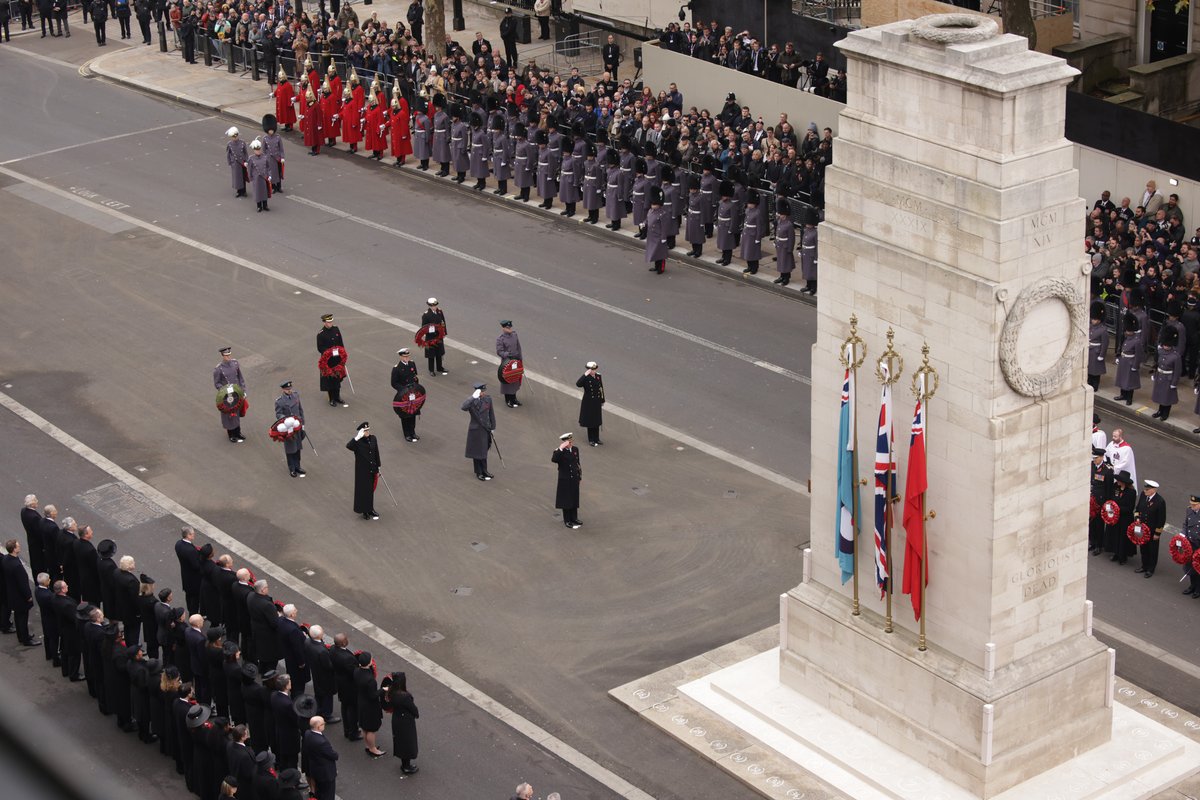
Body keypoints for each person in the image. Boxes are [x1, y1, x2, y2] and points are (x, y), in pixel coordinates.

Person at [3, 540, 38, 646]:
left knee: (18, 618)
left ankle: (21, 636)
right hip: (20, 597)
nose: (19, 547)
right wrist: (28, 596)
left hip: (12, 594)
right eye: (18, 546)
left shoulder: (6, 559)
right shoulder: (17, 565)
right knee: (22, 618)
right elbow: (22, 583)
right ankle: (26, 639)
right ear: (14, 549)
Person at [382, 671, 419, 774]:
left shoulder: (391, 693)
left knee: (401, 742)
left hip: (397, 719)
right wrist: (416, 714)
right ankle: (406, 766)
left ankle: (404, 764)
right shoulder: (405, 696)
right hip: (406, 722)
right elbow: (413, 709)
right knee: (408, 743)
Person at [345, 423, 381, 521]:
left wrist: (378, 467)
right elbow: (348, 446)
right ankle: (365, 511)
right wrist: (356, 438)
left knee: (370, 490)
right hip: (362, 471)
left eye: (368, 430)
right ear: (361, 432)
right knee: (363, 491)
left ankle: (370, 509)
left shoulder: (373, 438)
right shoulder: (357, 442)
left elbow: (376, 453)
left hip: (372, 469)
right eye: (365, 431)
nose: (367, 432)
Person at [354, 651, 386, 757]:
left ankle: (368, 746)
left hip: (361, 702)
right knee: (371, 729)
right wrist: (383, 689)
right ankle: (373, 749)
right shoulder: (370, 680)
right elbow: (373, 695)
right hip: (370, 707)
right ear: (369, 663)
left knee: (364, 727)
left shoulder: (356, 671)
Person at [462, 384, 496, 481]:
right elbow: (463, 407)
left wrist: (493, 427)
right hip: (476, 430)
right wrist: (473, 397)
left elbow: (491, 414)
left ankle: (485, 470)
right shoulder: (472, 401)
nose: (483, 393)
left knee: (484, 451)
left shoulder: (488, 399)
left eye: (483, 391)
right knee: (477, 452)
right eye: (481, 391)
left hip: (485, 429)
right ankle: (479, 472)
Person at [213, 347, 247, 443]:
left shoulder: (235, 363)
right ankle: (231, 434)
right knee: (228, 415)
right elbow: (217, 383)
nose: (228, 357)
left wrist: (243, 390)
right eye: (226, 355)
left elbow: (240, 378)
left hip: (237, 393)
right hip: (227, 396)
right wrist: (225, 390)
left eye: (229, 355)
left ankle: (238, 432)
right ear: (222, 356)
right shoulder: (219, 369)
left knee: (236, 413)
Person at [1135, 479, 1167, 578]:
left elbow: (1161, 519)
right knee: (1143, 548)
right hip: (1143, 529)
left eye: (1147, 489)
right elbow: (1138, 509)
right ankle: (1144, 565)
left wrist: (1157, 533)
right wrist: (1137, 518)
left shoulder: (1160, 501)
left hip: (1152, 530)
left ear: (1153, 490)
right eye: (1145, 489)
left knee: (1152, 550)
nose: (1145, 491)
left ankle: (1150, 569)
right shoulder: (1143, 495)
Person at [274, 381, 306, 477]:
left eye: (290, 389)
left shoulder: (296, 396)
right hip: (288, 428)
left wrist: (303, 424)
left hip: (298, 426)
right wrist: (287, 419)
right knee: (290, 449)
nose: (289, 391)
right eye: (287, 389)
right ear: (283, 390)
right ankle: (292, 468)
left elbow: (300, 411)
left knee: (298, 447)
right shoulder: (279, 401)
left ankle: (298, 466)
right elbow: (278, 414)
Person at [390, 349, 423, 442]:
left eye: (408, 356)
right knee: (405, 414)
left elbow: (415, 377)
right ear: (400, 357)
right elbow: (394, 383)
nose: (407, 358)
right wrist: (404, 390)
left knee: (413, 412)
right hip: (403, 396)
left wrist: (415, 388)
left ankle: (413, 432)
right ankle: (407, 434)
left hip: (413, 394)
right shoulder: (396, 368)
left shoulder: (412, 364)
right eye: (405, 356)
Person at [316, 314, 349, 407]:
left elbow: (341, 343)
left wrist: (343, 355)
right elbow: (320, 348)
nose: (330, 323)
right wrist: (329, 352)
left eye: (331, 322)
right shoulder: (321, 334)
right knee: (330, 380)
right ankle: (331, 398)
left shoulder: (336, 329)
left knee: (337, 378)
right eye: (328, 322)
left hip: (337, 359)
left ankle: (337, 396)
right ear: (324, 322)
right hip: (328, 362)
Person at [303, 716, 339, 799]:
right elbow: (333, 755)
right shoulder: (321, 742)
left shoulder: (308, 733)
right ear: (318, 727)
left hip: (315, 769)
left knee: (319, 791)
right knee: (328, 794)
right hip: (325, 773)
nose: (324, 724)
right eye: (323, 723)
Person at [552, 433, 583, 529]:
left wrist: (579, 477)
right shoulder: (559, 452)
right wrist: (560, 448)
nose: (570, 443)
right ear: (564, 442)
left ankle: (574, 518)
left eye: (571, 441)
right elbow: (554, 459)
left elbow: (577, 464)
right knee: (566, 500)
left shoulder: (575, 450)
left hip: (574, 479)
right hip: (565, 480)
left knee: (574, 498)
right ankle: (567, 520)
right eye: (568, 442)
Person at [1151, 326, 1181, 420]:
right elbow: (1157, 364)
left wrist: (1174, 383)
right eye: (1165, 344)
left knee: (1167, 397)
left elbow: (1177, 371)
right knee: (1161, 395)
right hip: (1160, 376)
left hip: (1169, 379)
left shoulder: (1175, 356)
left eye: (1168, 345)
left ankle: (1165, 413)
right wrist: (1155, 374)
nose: (1166, 346)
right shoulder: (1160, 351)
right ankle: (1160, 411)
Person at [495, 321, 524, 407]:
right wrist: (508, 355)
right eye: (507, 328)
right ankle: (508, 400)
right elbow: (499, 351)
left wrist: (520, 359)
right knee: (507, 380)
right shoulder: (500, 339)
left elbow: (518, 348)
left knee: (515, 379)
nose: (509, 329)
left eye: (510, 328)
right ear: (503, 328)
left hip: (515, 361)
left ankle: (514, 398)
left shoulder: (515, 335)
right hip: (507, 362)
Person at [1089, 447, 1112, 556]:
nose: (1094, 460)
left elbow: (1109, 488)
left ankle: (1099, 545)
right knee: (1091, 523)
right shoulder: (1091, 465)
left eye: (1096, 458)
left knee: (1099, 524)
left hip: (1100, 501)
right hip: (1091, 499)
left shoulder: (1107, 470)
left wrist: (1106, 504)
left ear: (1102, 457)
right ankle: (1092, 542)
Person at [576, 361, 605, 446]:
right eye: (592, 369)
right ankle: (591, 439)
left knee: (596, 421)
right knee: (590, 421)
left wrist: (602, 400)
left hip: (596, 401)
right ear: (588, 370)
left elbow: (601, 389)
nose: (594, 371)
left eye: (595, 369)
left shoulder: (598, 376)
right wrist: (584, 375)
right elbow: (578, 384)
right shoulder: (586, 378)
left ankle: (597, 438)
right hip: (589, 402)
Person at [420, 298, 449, 376]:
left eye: (435, 305)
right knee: (431, 354)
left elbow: (443, 322)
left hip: (439, 336)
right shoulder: (426, 315)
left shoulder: (439, 311)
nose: (434, 307)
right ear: (429, 306)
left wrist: (444, 332)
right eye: (433, 306)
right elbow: (424, 327)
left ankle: (440, 367)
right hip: (431, 337)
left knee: (439, 353)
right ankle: (431, 370)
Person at [773, 199, 796, 285]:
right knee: (781, 262)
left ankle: (786, 278)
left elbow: (791, 238)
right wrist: (776, 241)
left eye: (782, 214)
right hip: (780, 245)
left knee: (786, 263)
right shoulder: (779, 221)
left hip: (785, 246)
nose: (780, 215)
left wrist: (790, 249)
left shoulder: (789, 225)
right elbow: (777, 232)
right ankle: (781, 276)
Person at [247, 139, 273, 213]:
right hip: (256, 178)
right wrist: (251, 178)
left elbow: (268, 167)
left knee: (264, 192)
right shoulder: (251, 159)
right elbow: (249, 169)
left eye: (259, 149)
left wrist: (270, 175)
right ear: (254, 150)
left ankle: (265, 205)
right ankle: (259, 206)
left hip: (264, 177)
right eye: (256, 150)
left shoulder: (265, 157)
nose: (258, 151)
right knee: (257, 192)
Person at [1087, 301, 1107, 391]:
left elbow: (1105, 343)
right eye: (1092, 319)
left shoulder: (1103, 330)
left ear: (1099, 319)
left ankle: (1095, 385)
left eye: (1094, 319)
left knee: (1096, 371)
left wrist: (1101, 355)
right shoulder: (1090, 327)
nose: (1093, 321)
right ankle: (1089, 382)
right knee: (1090, 369)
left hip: (1096, 352)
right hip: (1090, 350)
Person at [226, 127, 249, 198]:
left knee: (243, 177)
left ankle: (244, 191)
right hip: (235, 163)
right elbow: (228, 154)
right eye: (233, 137)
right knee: (237, 178)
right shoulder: (229, 144)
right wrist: (230, 162)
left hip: (242, 162)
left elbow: (245, 153)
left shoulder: (242, 142)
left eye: (236, 136)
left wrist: (246, 161)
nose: (235, 138)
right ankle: (239, 191)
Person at [800, 213, 818, 295]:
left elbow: (817, 246)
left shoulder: (815, 233)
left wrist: (816, 258)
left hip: (811, 255)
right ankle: (808, 285)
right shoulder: (805, 230)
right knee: (806, 270)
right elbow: (803, 241)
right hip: (805, 253)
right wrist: (801, 250)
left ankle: (813, 288)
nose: (807, 224)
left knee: (812, 272)